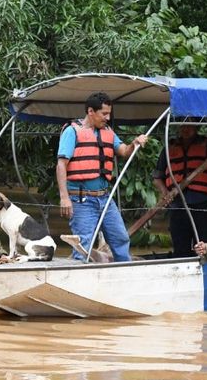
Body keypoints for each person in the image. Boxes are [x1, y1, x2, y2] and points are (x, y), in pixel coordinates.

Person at [56, 92, 148, 262]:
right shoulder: (72, 131)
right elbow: (61, 164)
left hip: (105, 197)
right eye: (104, 113)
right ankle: (81, 281)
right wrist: (64, 198)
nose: (108, 117)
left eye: (109, 113)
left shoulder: (108, 132)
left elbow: (124, 151)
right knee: (83, 245)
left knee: (120, 237)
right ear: (91, 111)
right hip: (81, 199)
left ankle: (124, 273)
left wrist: (135, 143)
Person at [152, 123, 207, 257]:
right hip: (177, 204)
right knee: (180, 245)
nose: (186, 129)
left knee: (204, 244)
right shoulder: (169, 147)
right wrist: (165, 193)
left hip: (201, 203)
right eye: (183, 126)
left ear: (197, 127)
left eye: (190, 126)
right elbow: (157, 177)